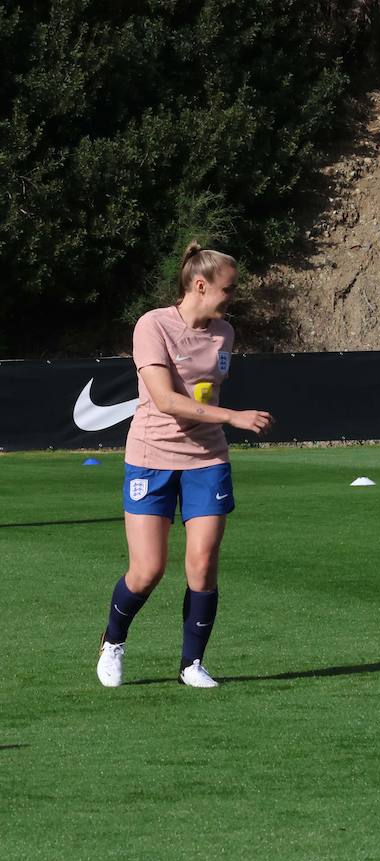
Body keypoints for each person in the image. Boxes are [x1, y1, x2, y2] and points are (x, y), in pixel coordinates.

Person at [96, 242, 274, 689]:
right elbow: (166, 400)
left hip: (207, 459)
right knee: (148, 570)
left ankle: (191, 664)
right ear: (201, 285)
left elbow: (205, 394)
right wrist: (234, 417)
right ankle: (113, 641)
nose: (233, 297)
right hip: (151, 457)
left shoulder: (225, 333)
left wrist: (220, 422)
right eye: (228, 290)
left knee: (202, 564)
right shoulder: (152, 325)